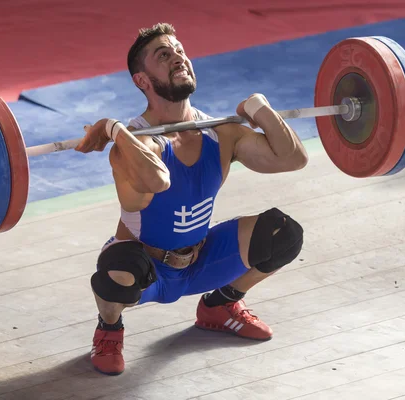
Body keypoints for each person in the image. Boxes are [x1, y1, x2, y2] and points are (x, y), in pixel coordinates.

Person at [75, 22, 308, 376]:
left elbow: (293, 159)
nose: (179, 58)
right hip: (147, 270)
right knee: (114, 277)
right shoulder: (136, 143)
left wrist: (260, 108)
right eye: (164, 55)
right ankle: (109, 329)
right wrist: (114, 128)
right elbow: (157, 178)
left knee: (284, 235)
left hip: (201, 259)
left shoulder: (221, 131)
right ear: (142, 80)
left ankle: (219, 305)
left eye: (180, 51)